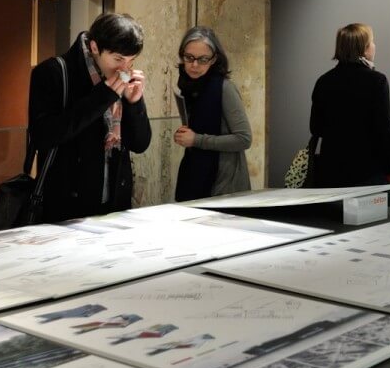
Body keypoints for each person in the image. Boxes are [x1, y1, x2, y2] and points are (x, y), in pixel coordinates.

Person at [27, 12, 151, 222]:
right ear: (94, 47)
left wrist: (134, 103)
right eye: (118, 59)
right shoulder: (52, 72)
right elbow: (43, 136)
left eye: (131, 61)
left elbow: (140, 144)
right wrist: (102, 97)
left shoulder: (122, 80)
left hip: (115, 206)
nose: (124, 69)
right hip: (67, 207)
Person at [308, 22, 390, 186]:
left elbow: (315, 127)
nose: (374, 46)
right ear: (364, 49)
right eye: (372, 42)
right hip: (367, 173)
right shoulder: (377, 81)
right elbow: (385, 131)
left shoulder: (324, 81)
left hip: (331, 172)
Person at [172, 26, 252, 201]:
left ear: (214, 59)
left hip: (223, 187)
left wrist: (196, 139)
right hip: (194, 177)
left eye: (203, 59)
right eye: (189, 57)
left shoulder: (224, 88)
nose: (194, 65)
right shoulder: (188, 87)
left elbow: (244, 139)